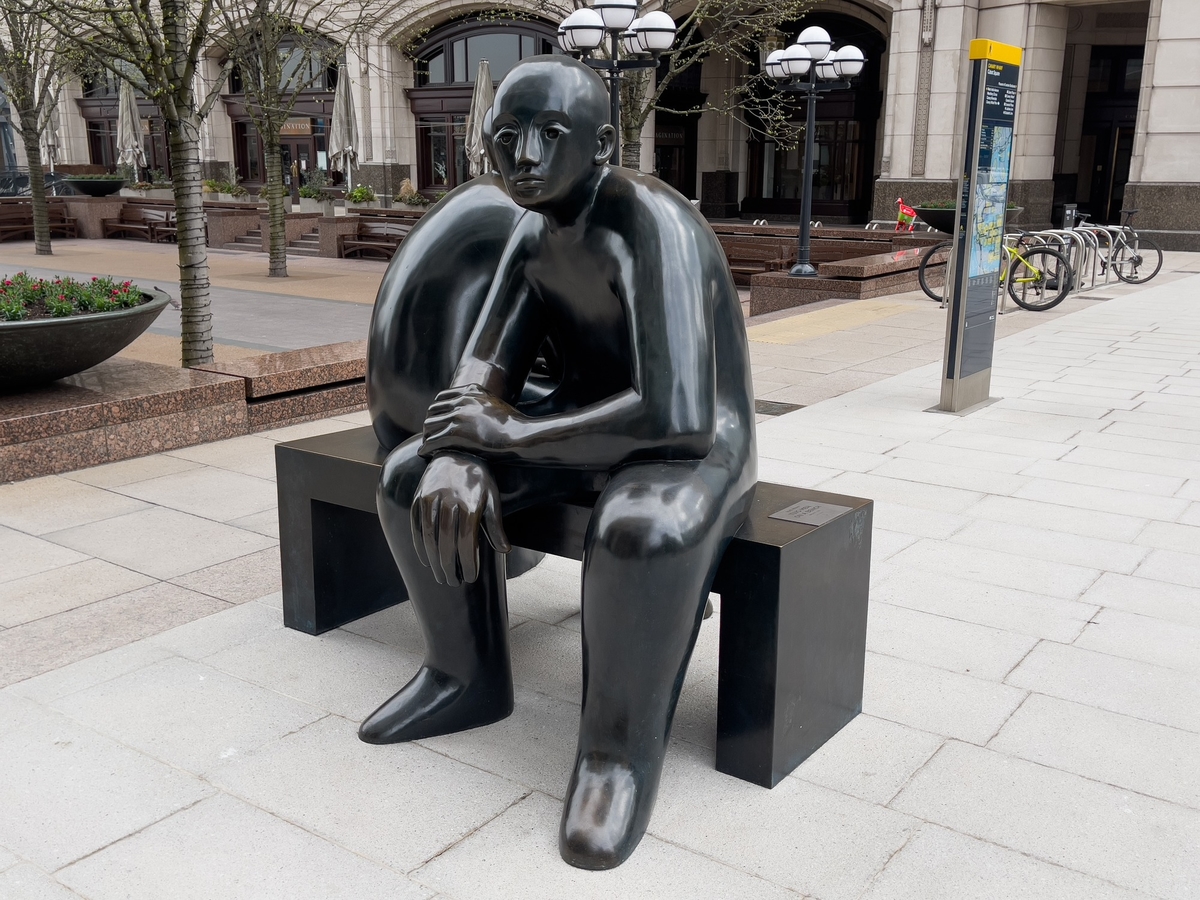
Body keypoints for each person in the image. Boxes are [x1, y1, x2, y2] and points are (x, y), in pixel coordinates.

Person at [362, 54, 756, 869]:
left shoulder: (655, 224)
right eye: (507, 138)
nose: (526, 158)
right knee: (410, 477)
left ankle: (617, 753)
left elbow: (674, 417)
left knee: (640, 528)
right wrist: (458, 450)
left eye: (550, 135)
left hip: (690, 443)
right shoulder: (533, 233)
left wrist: (502, 441)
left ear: (604, 143)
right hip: (573, 422)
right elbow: (479, 373)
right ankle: (463, 677)